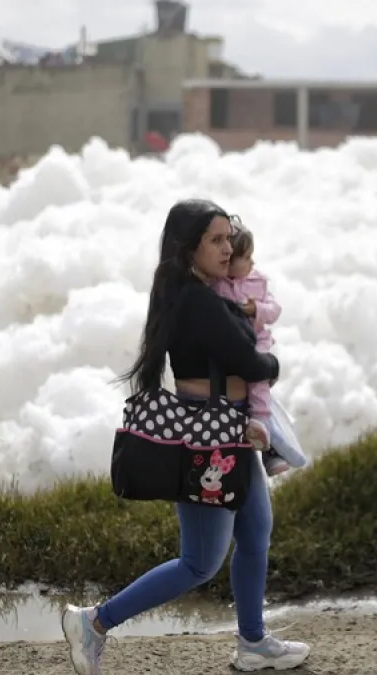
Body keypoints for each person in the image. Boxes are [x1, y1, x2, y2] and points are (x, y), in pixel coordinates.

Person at [60, 199, 312, 674]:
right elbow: (250, 361)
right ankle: (94, 623)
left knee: (256, 530)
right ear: (187, 247)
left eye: (228, 238)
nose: (227, 247)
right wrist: (272, 364)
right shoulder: (197, 300)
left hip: (230, 425)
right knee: (200, 562)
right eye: (215, 240)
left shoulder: (204, 292)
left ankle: (253, 642)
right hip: (208, 433)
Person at [209, 220, 296, 477]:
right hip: (231, 353)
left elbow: (274, 310)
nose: (252, 263)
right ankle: (270, 447)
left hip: (257, 342)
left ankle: (261, 423)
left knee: (258, 381)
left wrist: (255, 309)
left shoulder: (258, 281)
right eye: (245, 257)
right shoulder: (215, 285)